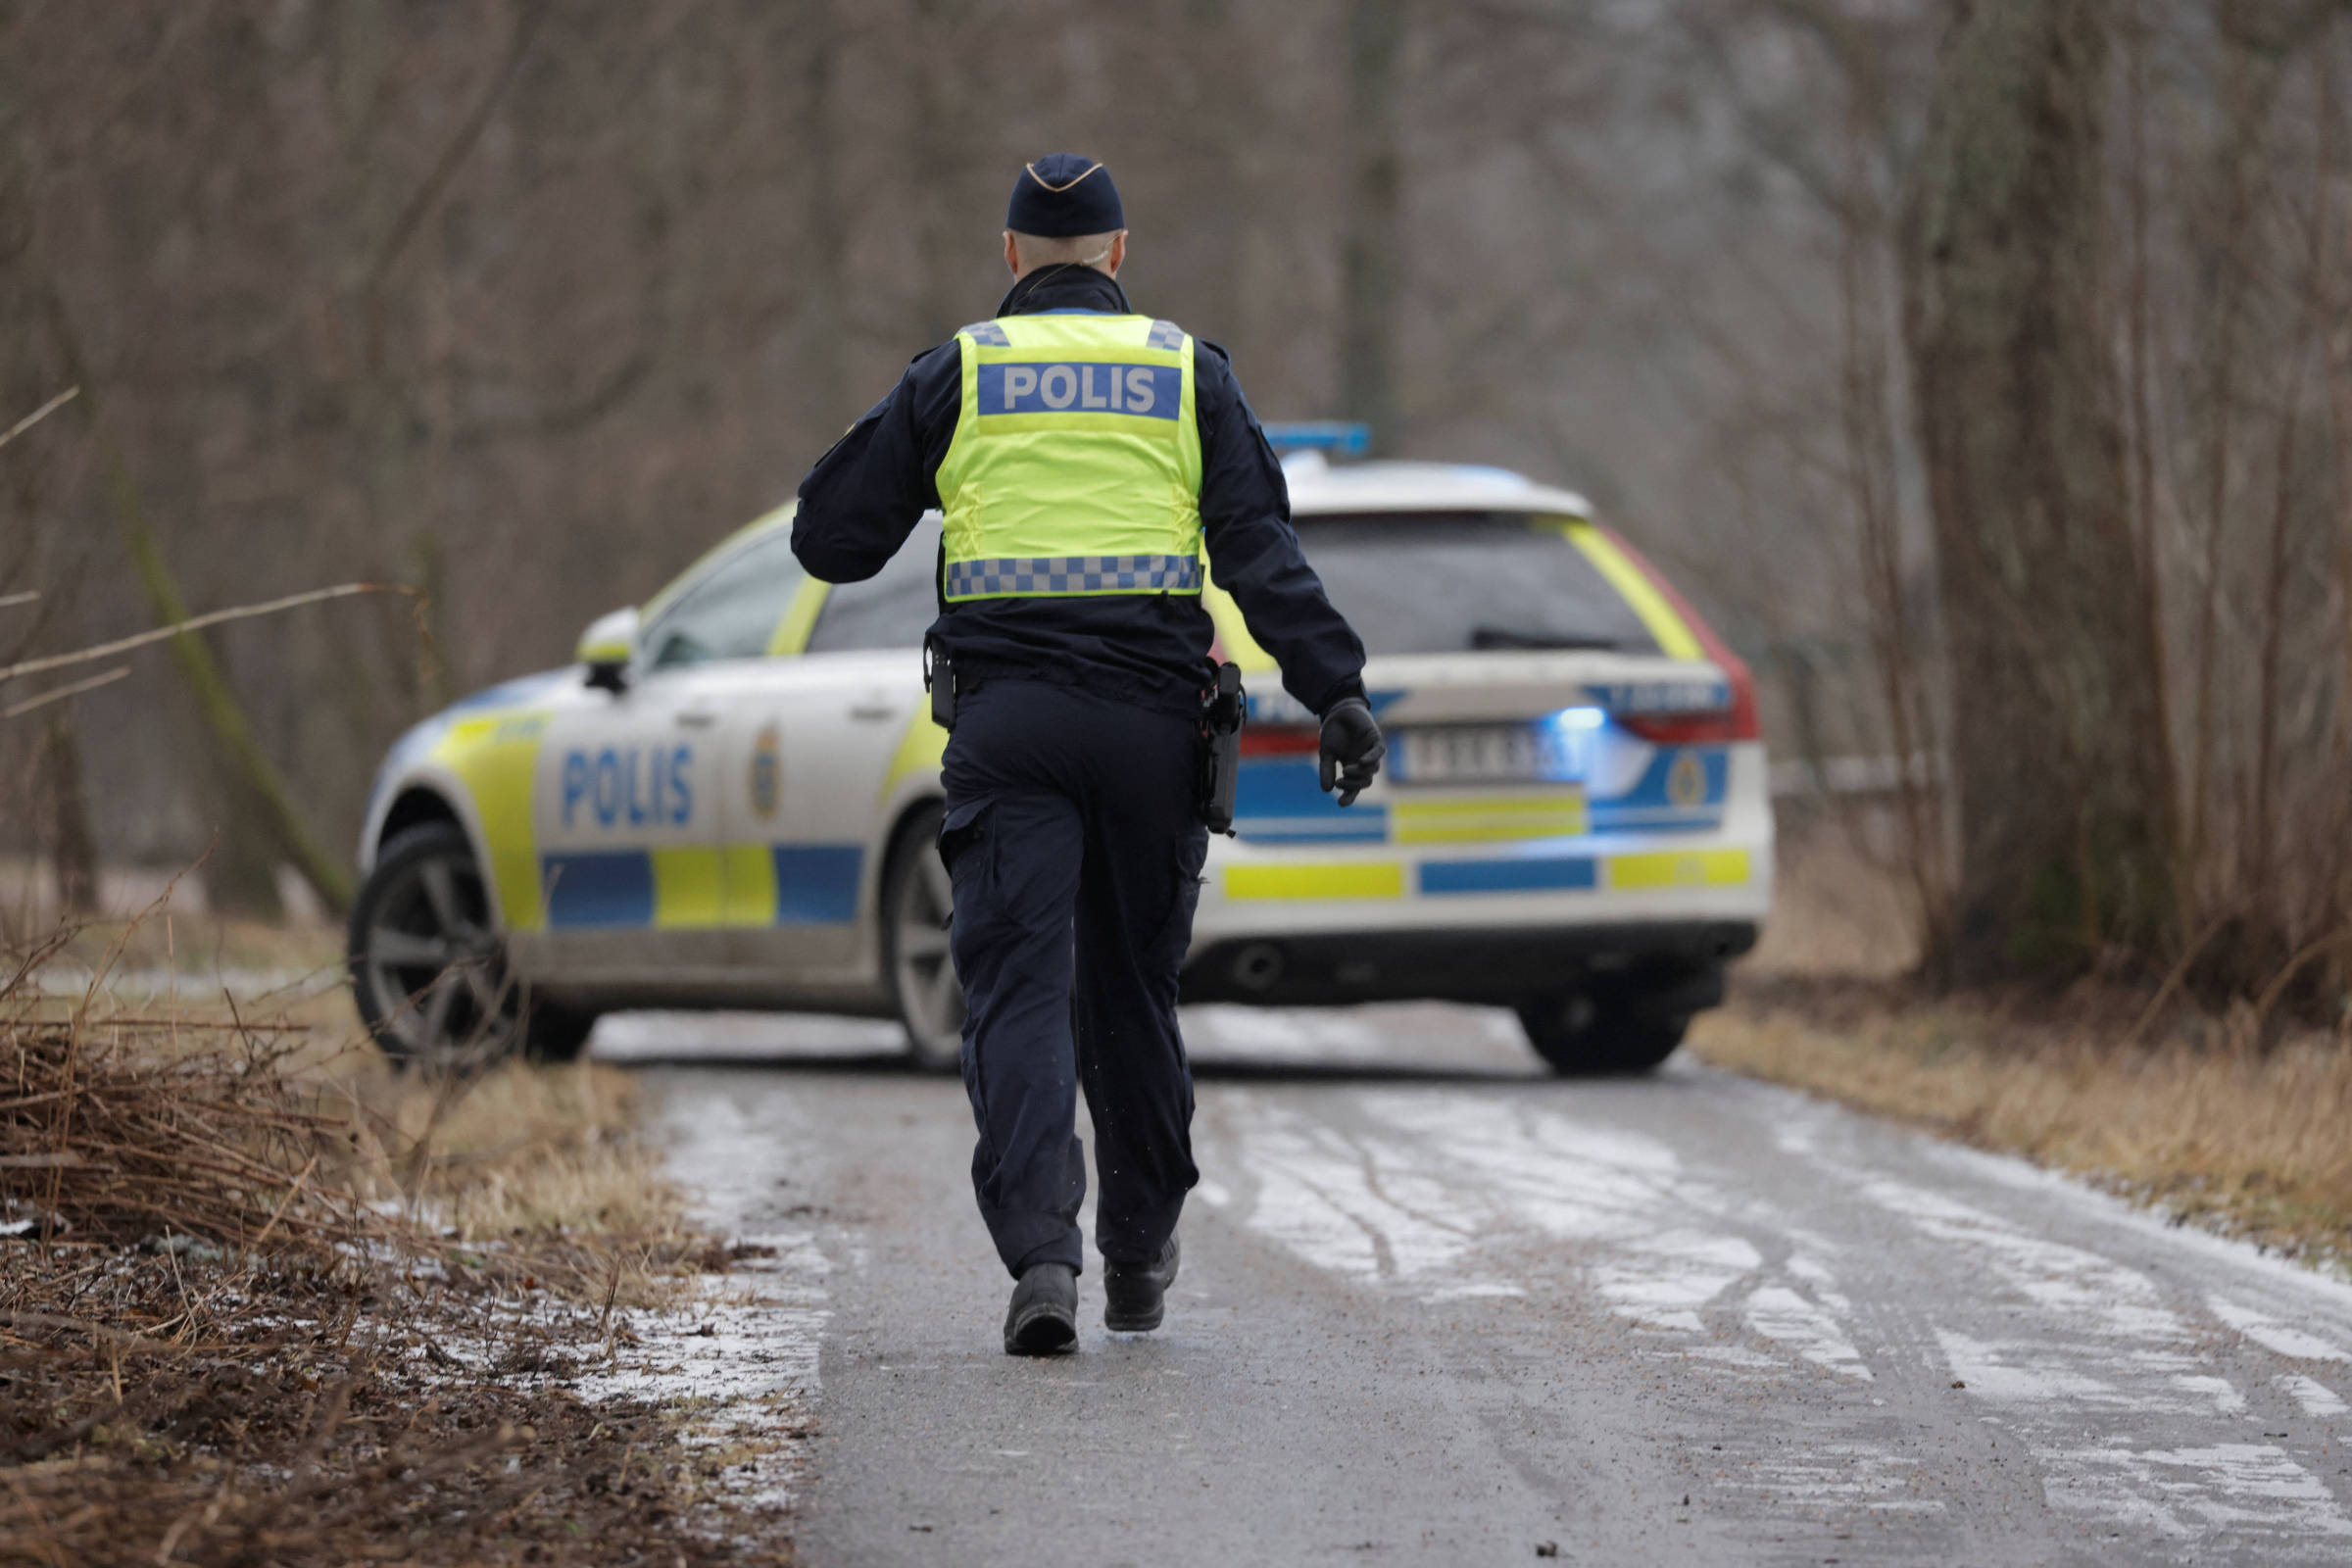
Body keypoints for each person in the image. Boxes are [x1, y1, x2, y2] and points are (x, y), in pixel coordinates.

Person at [792, 153, 1385, 1355]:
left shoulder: (959, 372)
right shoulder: (1185, 372)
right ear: (1118, 253)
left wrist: (907, 443)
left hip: (1010, 730)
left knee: (1017, 989)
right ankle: (1137, 1252)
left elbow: (829, 541)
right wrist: (1340, 690)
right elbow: (1260, 552)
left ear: (1012, 255)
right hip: (1151, 729)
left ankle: (1042, 1259)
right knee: (1131, 990)